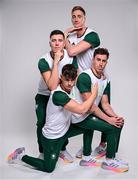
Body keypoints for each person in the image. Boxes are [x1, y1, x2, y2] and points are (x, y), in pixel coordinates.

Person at [7, 64, 98, 173]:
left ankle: (86, 156)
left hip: (65, 131)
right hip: (52, 137)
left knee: (89, 126)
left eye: (72, 80)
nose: (69, 83)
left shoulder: (72, 89)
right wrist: (94, 94)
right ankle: (20, 156)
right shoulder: (58, 95)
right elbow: (82, 109)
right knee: (48, 168)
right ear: (61, 78)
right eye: (66, 80)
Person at [71, 48, 128, 172]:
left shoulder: (104, 79)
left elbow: (105, 104)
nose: (101, 63)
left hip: (90, 114)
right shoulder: (85, 77)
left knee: (118, 122)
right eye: (98, 60)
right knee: (111, 128)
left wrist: (115, 117)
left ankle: (107, 155)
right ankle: (109, 161)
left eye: (104, 61)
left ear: (106, 62)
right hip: (80, 115)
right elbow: (90, 106)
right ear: (93, 60)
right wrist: (109, 120)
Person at [65, 5, 108, 158]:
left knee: (103, 109)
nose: (76, 19)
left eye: (79, 16)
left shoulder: (92, 35)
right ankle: (87, 150)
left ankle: (103, 145)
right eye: (73, 17)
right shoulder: (70, 38)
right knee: (88, 113)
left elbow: (71, 51)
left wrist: (66, 34)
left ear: (84, 18)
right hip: (84, 80)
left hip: (98, 78)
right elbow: (72, 59)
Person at [35, 29, 78, 162]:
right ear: (50, 43)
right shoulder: (43, 60)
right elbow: (52, 87)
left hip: (62, 95)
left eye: (60, 40)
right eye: (54, 40)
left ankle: (62, 149)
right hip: (45, 95)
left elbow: (73, 78)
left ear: (64, 42)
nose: (57, 43)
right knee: (42, 123)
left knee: (64, 122)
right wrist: (56, 62)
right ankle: (43, 152)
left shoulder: (71, 58)